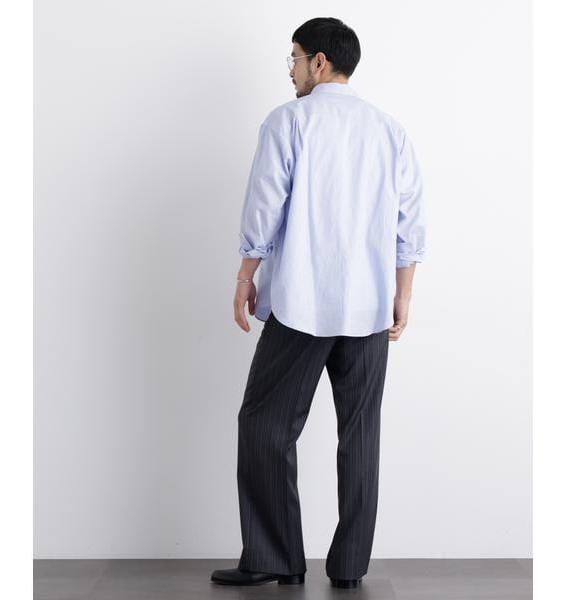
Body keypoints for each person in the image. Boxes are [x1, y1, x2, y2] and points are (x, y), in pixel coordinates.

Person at [211, 16, 426, 589]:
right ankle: (349, 569)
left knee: (265, 424)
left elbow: (264, 206)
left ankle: (273, 556)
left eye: (295, 59)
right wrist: (403, 296)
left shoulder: (288, 122)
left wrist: (245, 276)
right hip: (369, 307)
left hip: (301, 304)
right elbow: (409, 223)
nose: (292, 71)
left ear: (320, 62)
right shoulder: (389, 131)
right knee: (360, 435)